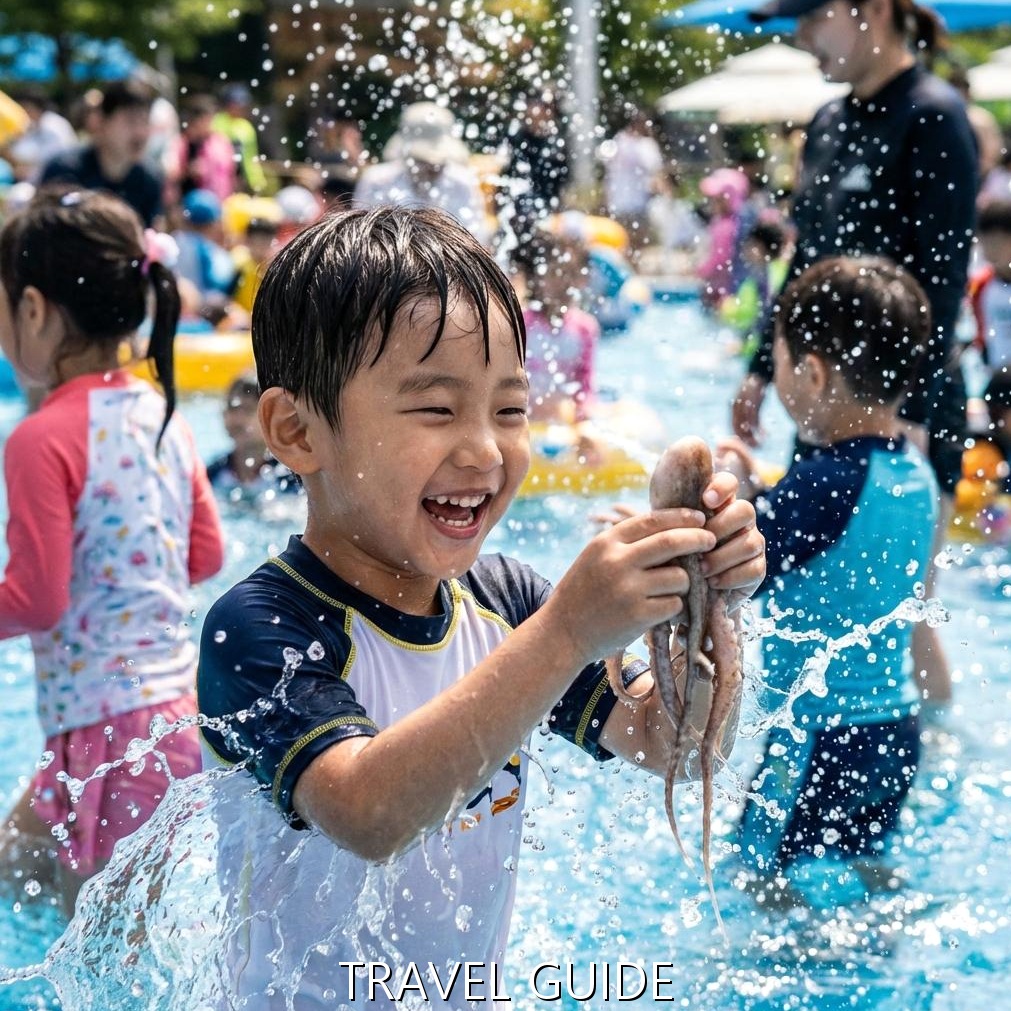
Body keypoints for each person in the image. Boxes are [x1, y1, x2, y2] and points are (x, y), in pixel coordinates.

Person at [196, 205, 765, 1005]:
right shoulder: (262, 627)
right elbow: (367, 813)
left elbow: (677, 744)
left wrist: (707, 611)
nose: (485, 450)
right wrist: (568, 630)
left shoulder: (506, 601)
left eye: (509, 409)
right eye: (436, 408)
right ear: (296, 431)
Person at [731, 0, 978, 706]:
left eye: (811, 18)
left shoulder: (932, 117)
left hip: (907, 409)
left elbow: (943, 280)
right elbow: (804, 262)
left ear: (869, 10)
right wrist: (757, 370)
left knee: (905, 607)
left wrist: (914, 412)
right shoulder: (828, 123)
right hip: (824, 405)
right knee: (822, 588)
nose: (800, 35)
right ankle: (821, 721)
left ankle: (926, 743)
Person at [0, 188, 225, 913]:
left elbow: (37, 599)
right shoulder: (163, 415)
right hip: (168, 721)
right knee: (13, 869)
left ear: (32, 308)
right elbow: (205, 556)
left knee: (98, 962)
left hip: (108, 740)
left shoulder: (40, 438)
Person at [717, 256, 936, 899]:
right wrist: (767, 489)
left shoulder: (820, 487)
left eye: (779, 361)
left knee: (762, 880)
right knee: (863, 868)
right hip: (894, 731)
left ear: (810, 374)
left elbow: (737, 564)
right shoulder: (914, 474)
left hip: (813, 738)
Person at [353, 101, 492, 245]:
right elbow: (362, 236)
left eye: (435, 163)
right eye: (420, 160)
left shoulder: (463, 182)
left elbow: (476, 239)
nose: (428, 167)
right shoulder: (377, 180)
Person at [39, 80, 164, 228]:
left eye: (145, 122)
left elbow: (148, 238)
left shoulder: (149, 179)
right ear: (101, 121)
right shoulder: (64, 171)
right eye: (131, 121)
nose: (140, 133)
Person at [511, 229, 599, 424]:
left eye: (570, 274)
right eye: (553, 274)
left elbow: (585, 385)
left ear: (581, 280)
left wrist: (585, 413)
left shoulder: (585, 328)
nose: (561, 283)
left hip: (563, 418)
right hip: (527, 416)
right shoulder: (520, 323)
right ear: (536, 278)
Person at [206, 371, 299, 501]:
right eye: (232, 408)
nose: (238, 419)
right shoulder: (212, 474)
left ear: (270, 416)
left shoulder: (288, 478)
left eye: (248, 410)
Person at [501, 91, 570, 247]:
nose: (534, 111)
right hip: (517, 208)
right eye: (532, 105)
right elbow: (506, 177)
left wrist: (556, 213)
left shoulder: (556, 146)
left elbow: (560, 187)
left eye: (542, 107)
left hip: (543, 210)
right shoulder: (516, 139)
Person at [598, 106, 664, 260]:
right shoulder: (645, 146)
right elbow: (657, 175)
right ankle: (632, 274)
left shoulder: (617, 142)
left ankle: (627, 274)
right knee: (635, 246)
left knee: (624, 244)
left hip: (621, 204)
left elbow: (607, 175)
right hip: (634, 204)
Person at [695, 167, 752, 311]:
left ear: (730, 198)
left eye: (717, 198)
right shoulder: (743, 220)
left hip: (721, 291)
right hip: (738, 290)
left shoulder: (725, 226)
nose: (712, 202)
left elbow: (719, 259)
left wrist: (699, 270)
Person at [969, 199, 1011, 374]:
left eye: (997, 243)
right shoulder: (979, 286)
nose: (990, 250)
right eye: (985, 244)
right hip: (996, 379)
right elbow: (979, 336)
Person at [211, 84, 267, 195]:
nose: (241, 108)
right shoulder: (215, 123)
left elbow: (250, 157)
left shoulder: (246, 127)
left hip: (242, 179)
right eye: (237, 104)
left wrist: (257, 181)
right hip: (220, 179)